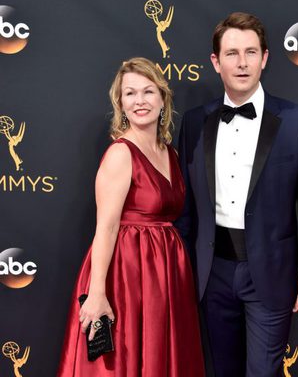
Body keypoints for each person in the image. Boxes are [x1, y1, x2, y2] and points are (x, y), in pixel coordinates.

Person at [175, 12, 298, 377]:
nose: (241, 63)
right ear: (216, 62)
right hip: (212, 273)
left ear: (265, 58)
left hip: (272, 273)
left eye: (250, 52)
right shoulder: (196, 121)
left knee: (263, 372)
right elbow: (184, 210)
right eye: (231, 53)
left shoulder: (297, 121)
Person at [58, 57, 205, 377]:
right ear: (120, 103)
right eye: (130, 93)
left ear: (163, 99)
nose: (140, 101)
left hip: (166, 271)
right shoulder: (121, 153)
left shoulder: (172, 153)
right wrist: (97, 293)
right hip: (126, 272)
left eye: (148, 92)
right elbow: (107, 227)